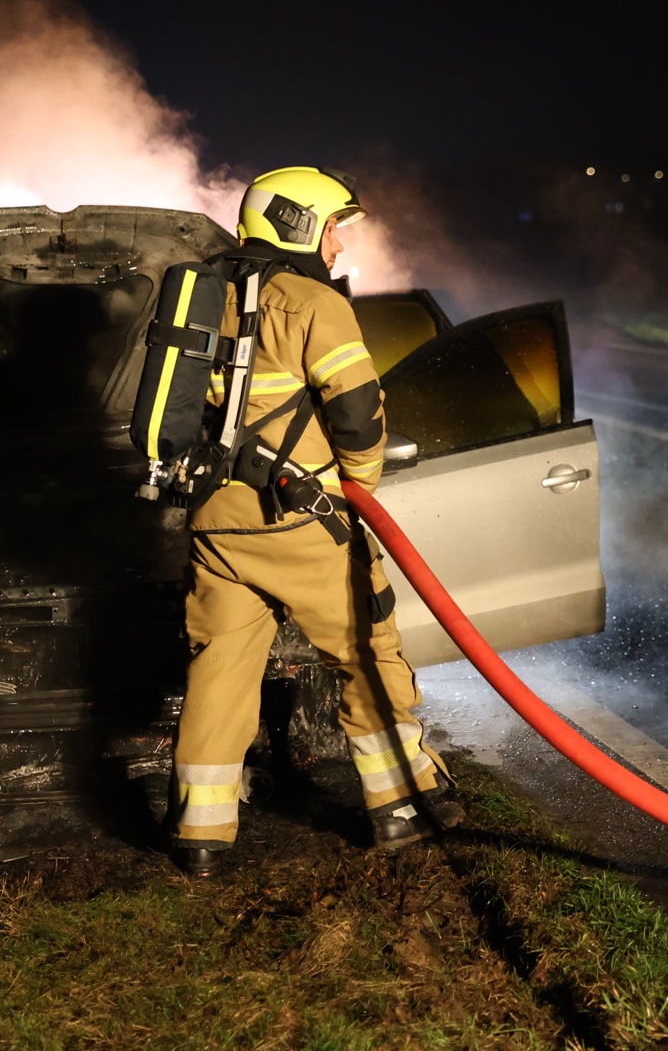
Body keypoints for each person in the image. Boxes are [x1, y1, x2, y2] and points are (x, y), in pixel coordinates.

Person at [169, 166, 460, 877]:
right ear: (299, 226)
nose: (337, 245)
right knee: (367, 651)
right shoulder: (311, 302)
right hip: (302, 524)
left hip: (216, 522)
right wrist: (356, 488)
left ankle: (201, 835)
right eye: (332, 227)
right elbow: (358, 412)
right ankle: (400, 803)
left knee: (221, 669)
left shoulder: (204, 294)